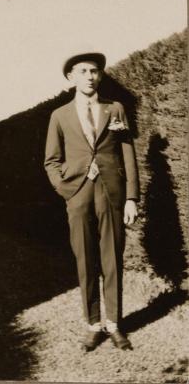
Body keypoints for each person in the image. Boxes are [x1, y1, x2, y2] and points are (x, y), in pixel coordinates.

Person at [44, 52, 139, 351]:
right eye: (83, 71)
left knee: (112, 259)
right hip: (78, 194)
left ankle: (114, 324)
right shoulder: (59, 116)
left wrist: (131, 198)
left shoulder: (115, 109)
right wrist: (65, 189)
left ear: (100, 76)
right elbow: (51, 161)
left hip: (111, 193)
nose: (90, 76)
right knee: (85, 260)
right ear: (71, 77)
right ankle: (93, 324)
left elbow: (127, 152)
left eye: (94, 71)